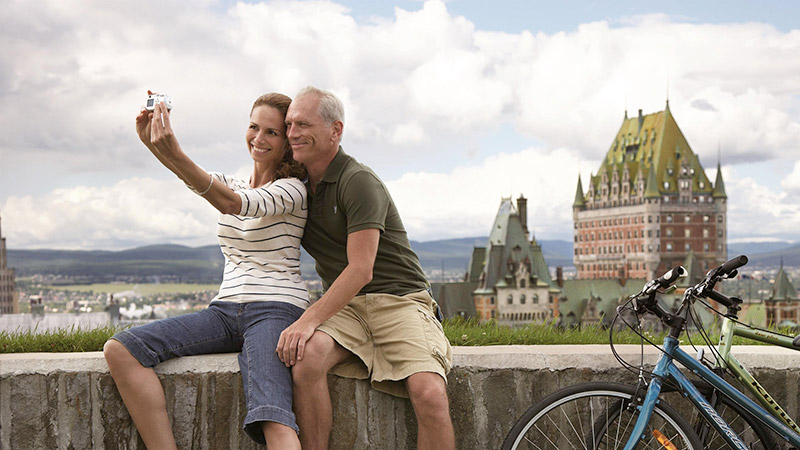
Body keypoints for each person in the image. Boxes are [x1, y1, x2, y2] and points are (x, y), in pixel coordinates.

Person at [103, 91, 307, 449]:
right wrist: (154, 143)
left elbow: (232, 204)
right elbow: (198, 180)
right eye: (253, 127)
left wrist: (172, 150)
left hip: (275, 308)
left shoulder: (293, 190)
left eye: (271, 133)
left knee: (270, 413)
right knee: (122, 350)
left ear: (287, 142)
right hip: (225, 310)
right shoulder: (237, 182)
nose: (258, 139)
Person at [276, 86, 456, 450]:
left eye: (303, 123)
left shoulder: (357, 180)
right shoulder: (296, 187)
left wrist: (308, 319)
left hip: (399, 301)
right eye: (289, 123)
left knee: (429, 391)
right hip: (349, 308)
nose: (292, 132)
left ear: (335, 130)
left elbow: (362, 269)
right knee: (306, 361)